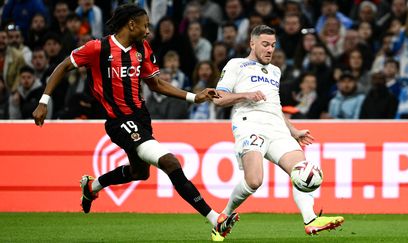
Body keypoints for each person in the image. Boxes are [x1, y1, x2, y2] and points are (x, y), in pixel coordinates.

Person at [32, 4, 237, 241]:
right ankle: (215, 219)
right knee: (169, 162)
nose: (148, 30)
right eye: (145, 25)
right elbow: (63, 65)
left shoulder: (143, 49)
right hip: (118, 121)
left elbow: (156, 84)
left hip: (141, 117)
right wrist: (44, 101)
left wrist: (194, 96)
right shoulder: (98, 48)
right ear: (131, 24)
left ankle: (92, 186)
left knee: (139, 173)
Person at [213, 24, 344, 239]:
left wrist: (293, 130)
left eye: (273, 45)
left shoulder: (275, 71)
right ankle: (223, 217)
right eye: (265, 44)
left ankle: (310, 219)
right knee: (254, 181)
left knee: (303, 171)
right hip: (250, 126)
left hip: (277, 129)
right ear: (252, 43)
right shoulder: (237, 65)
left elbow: (274, 106)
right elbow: (219, 98)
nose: (270, 50)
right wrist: (245, 95)